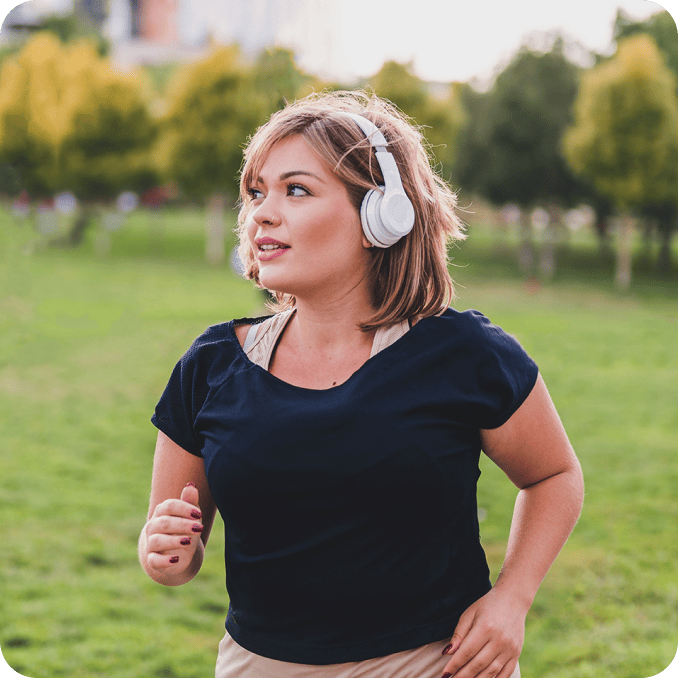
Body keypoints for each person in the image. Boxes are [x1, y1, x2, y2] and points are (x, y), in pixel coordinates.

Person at [139, 90, 584, 678]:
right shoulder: (211, 365)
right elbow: (175, 545)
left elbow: (554, 475)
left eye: (296, 190)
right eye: (256, 192)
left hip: (434, 664)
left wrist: (512, 600)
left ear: (383, 212)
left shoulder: (465, 355)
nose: (262, 214)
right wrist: (167, 553)